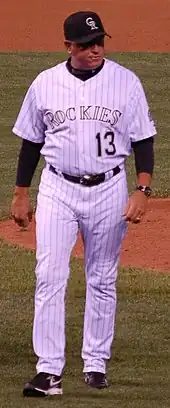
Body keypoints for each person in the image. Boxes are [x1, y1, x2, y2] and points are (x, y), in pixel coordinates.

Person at [11, 10, 156, 397]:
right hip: (58, 188)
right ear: (68, 46)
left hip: (109, 188)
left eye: (99, 42)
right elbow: (31, 143)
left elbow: (143, 138)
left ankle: (95, 362)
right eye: (87, 44)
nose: (95, 50)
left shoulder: (126, 82)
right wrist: (21, 192)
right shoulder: (45, 84)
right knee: (49, 275)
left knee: (103, 278)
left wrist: (143, 190)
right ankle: (48, 371)